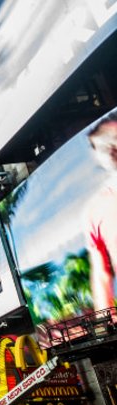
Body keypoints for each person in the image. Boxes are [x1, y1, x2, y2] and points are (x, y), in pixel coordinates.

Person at [85, 110, 117, 311]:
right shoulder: (94, 210)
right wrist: (104, 325)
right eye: (103, 146)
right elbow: (101, 274)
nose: (111, 149)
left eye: (114, 139)